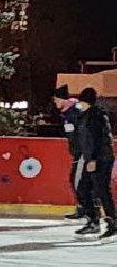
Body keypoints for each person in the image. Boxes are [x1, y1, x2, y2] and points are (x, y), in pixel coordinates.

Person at [73, 87, 115, 239]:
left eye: (81, 101)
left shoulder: (96, 116)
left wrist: (93, 160)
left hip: (101, 159)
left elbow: (98, 140)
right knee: (83, 189)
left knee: (102, 191)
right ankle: (93, 221)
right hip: (92, 158)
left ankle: (112, 223)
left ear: (86, 101)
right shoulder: (85, 116)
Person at [53, 85, 86, 220]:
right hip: (78, 152)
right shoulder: (68, 113)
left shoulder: (75, 112)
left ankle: (85, 209)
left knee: (77, 180)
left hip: (83, 152)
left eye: (56, 100)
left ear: (62, 99)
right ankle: (83, 208)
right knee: (78, 180)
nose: (55, 103)